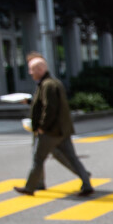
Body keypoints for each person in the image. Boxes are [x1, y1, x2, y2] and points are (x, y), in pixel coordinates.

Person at [15, 53, 94, 197]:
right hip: (62, 130)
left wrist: (42, 127)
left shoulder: (47, 85)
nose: (30, 73)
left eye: (32, 70)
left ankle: (30, 187)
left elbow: (49, 109)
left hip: (51, 131)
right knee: (72, 158)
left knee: (38, 159)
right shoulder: (52, 83)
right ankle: (86, 183)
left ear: (39, 70)